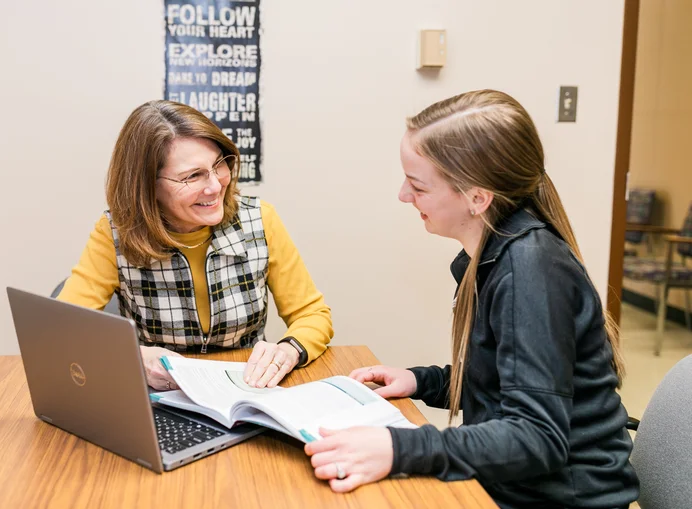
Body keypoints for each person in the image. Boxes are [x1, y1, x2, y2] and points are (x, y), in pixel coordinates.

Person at [304, 90, 639, 508]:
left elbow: (536, 438)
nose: (403, 196)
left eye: (418, 185)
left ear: (478, 198)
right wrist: (423, 381)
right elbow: (505, 382)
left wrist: (397, 448)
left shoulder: (529, 271)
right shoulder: (497, 253)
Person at [57, 100, 333, 390]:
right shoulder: (115, 232)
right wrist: (136, 357)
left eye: (218, 165)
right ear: (147, 185)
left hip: (247, 391)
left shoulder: (261, 219)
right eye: (192, 176)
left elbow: (311, 314)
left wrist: (288, 350)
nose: (215, 186)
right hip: (159, 397)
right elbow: (64, 329)